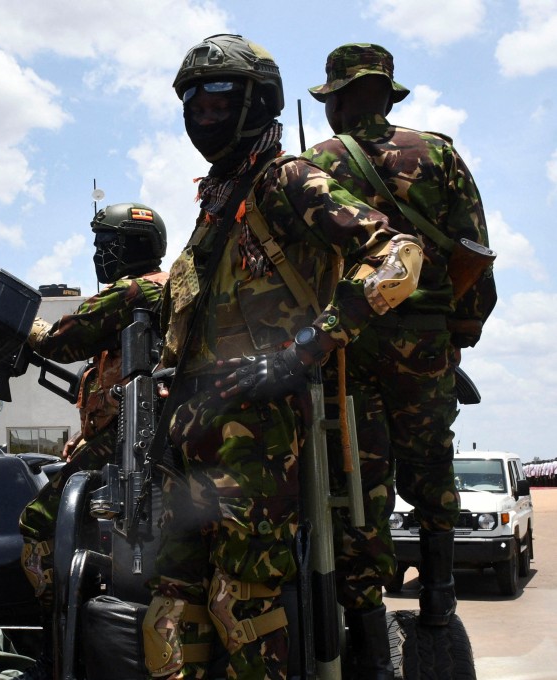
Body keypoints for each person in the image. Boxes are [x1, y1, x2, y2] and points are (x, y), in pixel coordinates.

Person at [145, 34, 424, 680]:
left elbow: (397, 258)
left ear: (256, 102)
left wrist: (306, 349)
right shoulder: (214, 204)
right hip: (190, 439)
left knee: (241, 603)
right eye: (192, 99)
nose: (201, 112)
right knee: (169, 614)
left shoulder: (286, 180)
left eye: (218, 98)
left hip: (261, 438)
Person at [303, 43, 496, 652]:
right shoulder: (439, 153)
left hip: (348, 349)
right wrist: (458, 335)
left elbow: (303, 274)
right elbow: (477, 257)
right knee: (433, 464)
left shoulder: (318, 162)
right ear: (386, 93)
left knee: (360, 483)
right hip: (429, 341)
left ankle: (366, 630)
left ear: (337, 99)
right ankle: (439, 599)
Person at [18, 202, 169, 678]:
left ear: (132, 249)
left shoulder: (136, 292)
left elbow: (61, 340)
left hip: (132, 444)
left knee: (39, 524)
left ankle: (59, 631)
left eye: (107, 245)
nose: (100, 255)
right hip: (131, 443)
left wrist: (22, 325)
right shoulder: (158, 296)